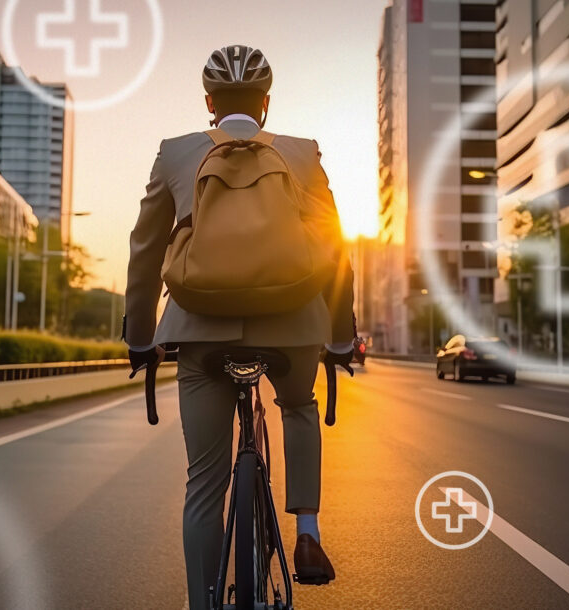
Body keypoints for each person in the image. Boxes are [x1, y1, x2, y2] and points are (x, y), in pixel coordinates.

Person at [123, 44, 356, 609]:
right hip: (294, 323)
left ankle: (201, 603)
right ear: (267, 103)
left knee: (205, 482)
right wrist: (342, 335)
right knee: (298, 405)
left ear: (208, 102)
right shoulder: (303, 154)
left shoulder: (175, 154)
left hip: (198, 330)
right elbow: (336, 248)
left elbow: (146, 249)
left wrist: (139, 338)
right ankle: (307, 534)